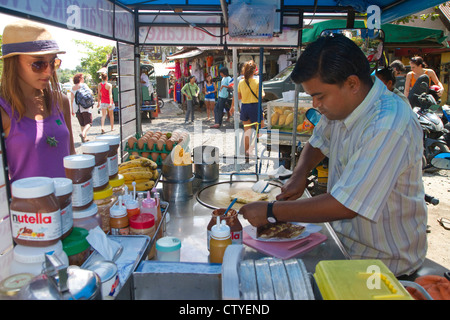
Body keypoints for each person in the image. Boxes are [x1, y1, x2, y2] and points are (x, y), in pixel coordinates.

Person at [240, 34, 427, 277]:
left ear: (352, 84)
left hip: (384, 266)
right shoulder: (344, 106)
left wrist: (270, 211)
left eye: (320, 96)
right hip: (346, 248)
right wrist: (299, 174)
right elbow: (319, 142)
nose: (315, 104)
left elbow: (346, 204)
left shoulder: (388, 125)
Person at [0, 20, 75, 182]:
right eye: (38, 64)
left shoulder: (60, 101)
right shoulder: (4, 110)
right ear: (13, 63)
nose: (48, 71)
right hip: (26, 207)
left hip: (68, 204)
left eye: (53, 62)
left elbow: (72, 157)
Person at [237, 60, 265, 157]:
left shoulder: (241, 82)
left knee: (247, 132)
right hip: (255, 107)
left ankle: (247, 153)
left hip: (244, 107)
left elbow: (239, 97)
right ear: (254, 71)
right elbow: (261, 96)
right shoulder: (257, 81)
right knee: (260, 131)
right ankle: (251, 149)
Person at [71, 73, 93, 142]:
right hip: (84, 106)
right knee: (89, 123)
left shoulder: (73, 87)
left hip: (76, 107)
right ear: (80, 79)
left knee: (82, 123)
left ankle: (84, 137)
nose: (83, 79)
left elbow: (72, 100)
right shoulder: (83, 85)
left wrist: (72, 110)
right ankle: (83, 133)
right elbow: (90, 93)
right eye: (83, 78)